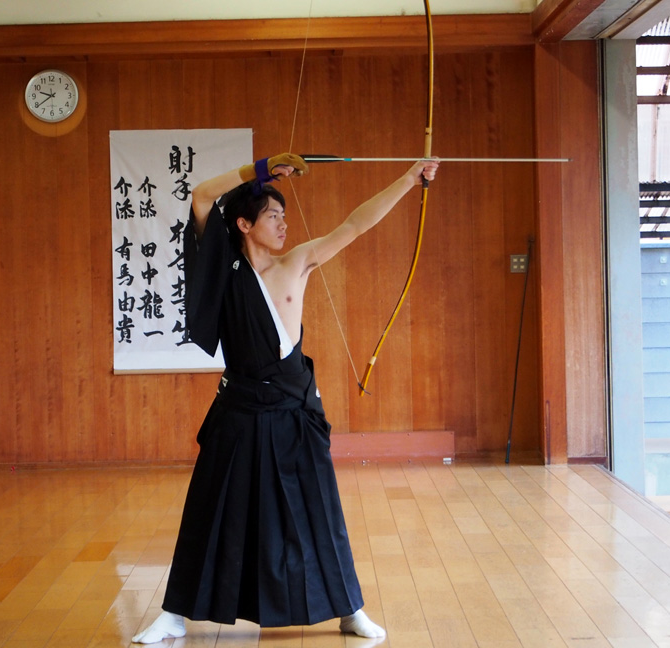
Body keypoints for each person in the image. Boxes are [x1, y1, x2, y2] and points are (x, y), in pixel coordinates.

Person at [131, 153, 440, 644]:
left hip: (295, 411)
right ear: (244, 224)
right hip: (239, 409)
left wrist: (408, 179)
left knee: (321, 511)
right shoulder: (226, 270)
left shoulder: (296, 263)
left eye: (283, 215)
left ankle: (349, 609)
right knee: (210, 509)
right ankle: (174, 615)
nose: (283, 224)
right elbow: (203, 195)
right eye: (272, 215)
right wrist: (263, 168)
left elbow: (355, 225)